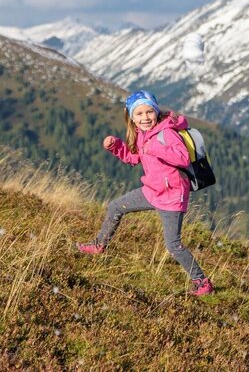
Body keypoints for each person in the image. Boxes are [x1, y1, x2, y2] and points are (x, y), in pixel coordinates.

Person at [76, 90, 213, 296]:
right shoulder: (142, 135)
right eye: (139, 114)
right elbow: (134, 158)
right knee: (115, 206)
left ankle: (202, 283)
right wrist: (116, 147)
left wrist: (155, 148)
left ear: (156, 112)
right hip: (151, 191)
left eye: (149, 112)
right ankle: (99, 245)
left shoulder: (166, 132)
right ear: (131, 117)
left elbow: (183, 158)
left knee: (173, 245)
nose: (145, 118)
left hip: (172, 197)